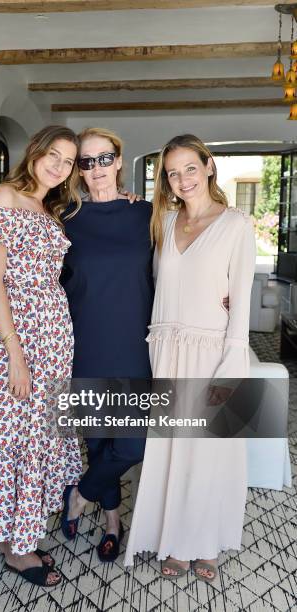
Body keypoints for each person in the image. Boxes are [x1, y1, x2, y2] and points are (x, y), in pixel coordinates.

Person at [0, 125, 83, 587]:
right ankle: (15, 550)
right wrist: (16, 355)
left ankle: (22, 535)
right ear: (35, 152)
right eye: (53, 154)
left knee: (39, 436)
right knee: (13, 437)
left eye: (68, 161)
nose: (59, 165)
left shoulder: (49, 210)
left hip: (53, 342)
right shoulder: (4, 196)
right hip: (18, 342)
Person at [124, 134, 256, 582]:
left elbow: (240, 299)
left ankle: (205, 540)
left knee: (210, 451)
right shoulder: (161, 219)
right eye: (172, 172)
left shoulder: (236, 224)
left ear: (209, 167)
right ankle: (173, 539)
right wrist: (126, 199)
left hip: (213, 351)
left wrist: (233, 362)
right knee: (170, 450)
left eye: (190, 168)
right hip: (166, 350)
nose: (182, 179)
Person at [60, 127, 154, 562]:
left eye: (104, 158)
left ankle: (80, 492)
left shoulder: (147, 214)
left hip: (136, 343)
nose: (96, 168)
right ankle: (113, 522)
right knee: (99, 441)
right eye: (86, 161)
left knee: (134, 442)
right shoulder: (64, 220)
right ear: (78, 170)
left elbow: (185, 254)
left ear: (119, 160)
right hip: (86, 342)